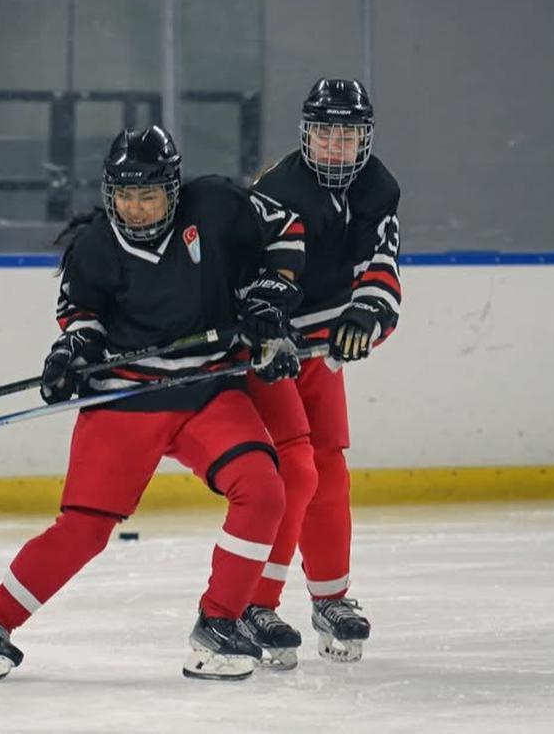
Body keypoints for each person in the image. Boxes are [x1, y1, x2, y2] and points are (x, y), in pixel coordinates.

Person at [0, 125, 306, 682]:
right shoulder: (96, 246)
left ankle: (218, 624)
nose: (135, 209)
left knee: (264, 491)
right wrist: (73, 352)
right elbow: (79, 315)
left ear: (174, 188)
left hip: (208, 389)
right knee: (83, 529)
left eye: (148, 196)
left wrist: (268, 304)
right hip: (127, 396)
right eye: (124, 196)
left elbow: (285, 229)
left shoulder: (215, 206)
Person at [237, 78, 402, 668]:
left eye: (348, 133)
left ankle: (330, 597)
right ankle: (257, 602)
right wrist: (267, 329)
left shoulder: (377, 185)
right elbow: (257, 276)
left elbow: (380, 261)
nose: (336, 144)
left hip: (320, 356)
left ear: (365, 137)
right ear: (307, 135)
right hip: (272, 356)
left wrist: (369, 310)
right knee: (292, 475)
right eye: (326, 132)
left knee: (329, 473)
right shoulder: (277, 190)